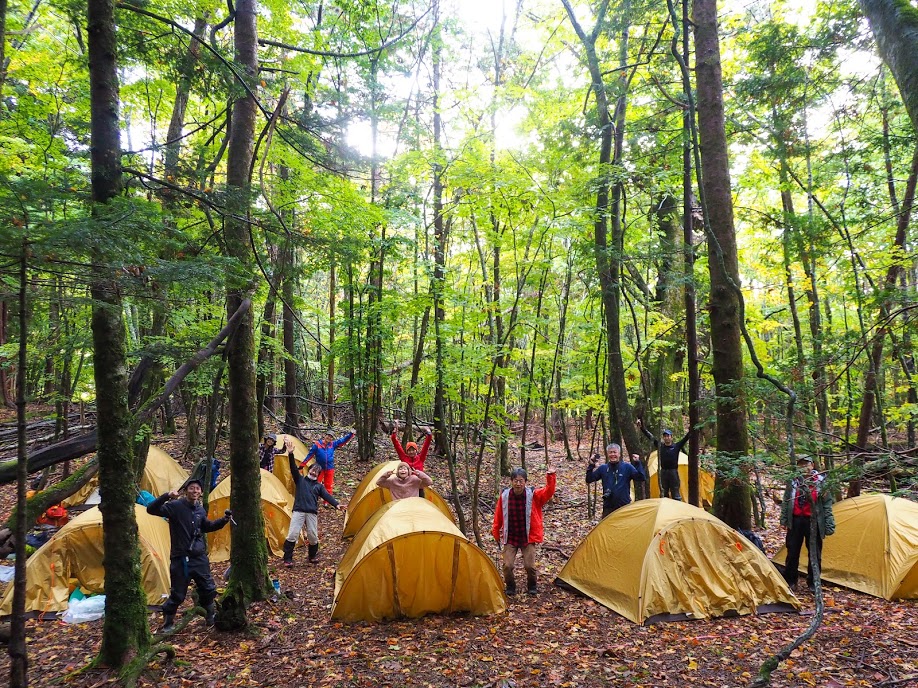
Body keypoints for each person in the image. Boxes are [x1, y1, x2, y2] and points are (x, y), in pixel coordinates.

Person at [147, 478, 231, 631]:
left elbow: (206, 526)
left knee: (208, 588)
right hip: (181, 558)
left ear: (201, 492)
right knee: (178, 594)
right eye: (191, 488)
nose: (195, 491)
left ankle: (210, 617)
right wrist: (166, 496)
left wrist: (223, 520)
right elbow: (151, 509)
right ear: (185, 491)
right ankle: (168, 623)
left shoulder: (200, 510)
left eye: (198, 489)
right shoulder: (175, 506)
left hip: (199, 558)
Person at [492, 465, 556, 596]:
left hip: (527, 537)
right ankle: (510, 586)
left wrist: (551, 476)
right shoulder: (504, 496)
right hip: (510, 536)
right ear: (511, 481)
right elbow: (498, 514)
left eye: (521, 481)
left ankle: (532, 585)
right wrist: (496, 530)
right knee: (507, 566)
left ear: (525, 482)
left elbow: (548, 492)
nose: (518, 483)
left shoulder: (533, 495)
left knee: (530, 566)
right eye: (515, 480)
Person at [779, 455, 835, 591]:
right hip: (796, 520)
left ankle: (813, 582)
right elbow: (786, 500)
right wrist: (784, 520)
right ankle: (791, 581)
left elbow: (827, 504)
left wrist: (829, 523)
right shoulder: (793, 481)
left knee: (814, 553)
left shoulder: (821, 482)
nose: (804, 467)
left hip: (814, 521)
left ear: (813, 466)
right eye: (801, 465)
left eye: (807, 464)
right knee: (792, 551)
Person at [284, 456, 345, 566]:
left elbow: (327, 496)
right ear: (309, 470)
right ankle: (288, 559)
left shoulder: (318, 486)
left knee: (312, 535)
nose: (313, 473)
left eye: (316, 472)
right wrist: (291, 454)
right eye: (313, 470)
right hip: (299, 511)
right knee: (293, 534)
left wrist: (337, 505)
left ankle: (312, 556)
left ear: (318, 474)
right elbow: (293, 468)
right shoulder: (300, 480)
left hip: (311, 512)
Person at [586, 443, 646, 518]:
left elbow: (641, 477)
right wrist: (591, 465)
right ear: (607, 454)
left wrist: (638, 463)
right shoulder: (603, 468)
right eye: (610, 452)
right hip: (608, 506)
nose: (612, 454)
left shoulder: (627, 467)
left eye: (615, 452)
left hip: (624, 506)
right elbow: (589, 479)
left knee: (624, 528)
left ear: (619, 454)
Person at [637, 419, 689, 501]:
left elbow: (686, 438)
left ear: (671, 437)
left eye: (668, 436)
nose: (666, 438)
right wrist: (642, 428)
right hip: (663, 472)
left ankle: (677, 509)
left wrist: (692, 429)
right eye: (665, 436)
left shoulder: (676, 446)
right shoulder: (660, 446)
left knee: (675, 492)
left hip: (673, 472)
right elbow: (651, 437)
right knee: (664, 492)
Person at [303, 429, 354, 493]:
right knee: (315, 483)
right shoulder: (317, 444)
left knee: (328, 485)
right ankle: (313, 498)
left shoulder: (333, 444)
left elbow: (342, 441)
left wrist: (350, 434)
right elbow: (310, 455)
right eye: (328, 435)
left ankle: (326, 502)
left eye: (331, 437)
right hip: (319, 468)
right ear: (325, 435)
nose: (329, 438)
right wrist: (302, 464)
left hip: (330, 468)